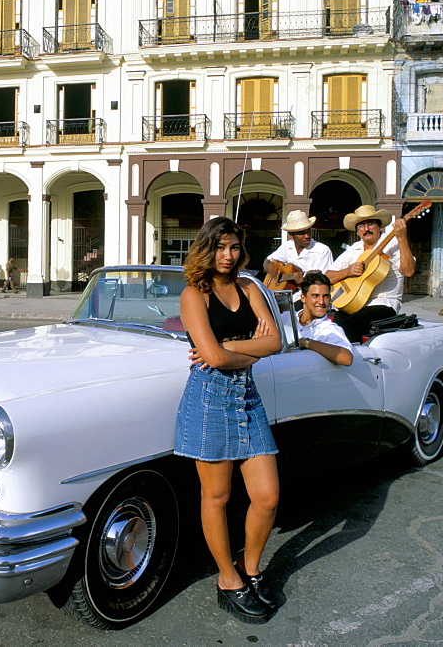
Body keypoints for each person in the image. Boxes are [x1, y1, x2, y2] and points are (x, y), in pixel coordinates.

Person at [176, 216, 283, 624]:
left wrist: (230, 346)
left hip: (247, 398)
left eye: (234, 247)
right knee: (217, 498)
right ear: (207, 249)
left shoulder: (250, 287)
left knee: (267, 496)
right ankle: (227, 579)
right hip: (208, 401)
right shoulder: (194, 295)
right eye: (220, 247)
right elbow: (215, 360)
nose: (228, 255)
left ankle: (251, 569)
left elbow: (275, 341)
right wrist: (245, 350)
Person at [326, 205, 416, 343]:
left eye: (370, 224)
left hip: (385, 303)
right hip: (356, 303)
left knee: (354, 321)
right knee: (337, 319)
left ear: (379, 227)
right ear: (357, 232)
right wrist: (347, 271)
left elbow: (409, 271)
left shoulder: (393, 243)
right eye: (361, 226)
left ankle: (355, 356)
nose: (366, 229)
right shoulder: (354, 249)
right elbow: (328, 276)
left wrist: (402, 238)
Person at [262, 210, 333, 307]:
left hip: (307, 299)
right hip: (282, 296)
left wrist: (302, 283)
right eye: (301, 233)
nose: (307, 236)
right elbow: (267, 261)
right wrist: (272, 269)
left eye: (308, 231)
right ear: (291, 234)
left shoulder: (322, 250)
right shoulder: (287, 247)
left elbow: (324, 281)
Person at [296, 272, 353, 366]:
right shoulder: (286, 317)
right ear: (303, 298)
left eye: (326, 296)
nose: (322, 302)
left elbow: (346, 359)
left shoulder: (329, 328)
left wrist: (306, 342)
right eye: (315, 296)